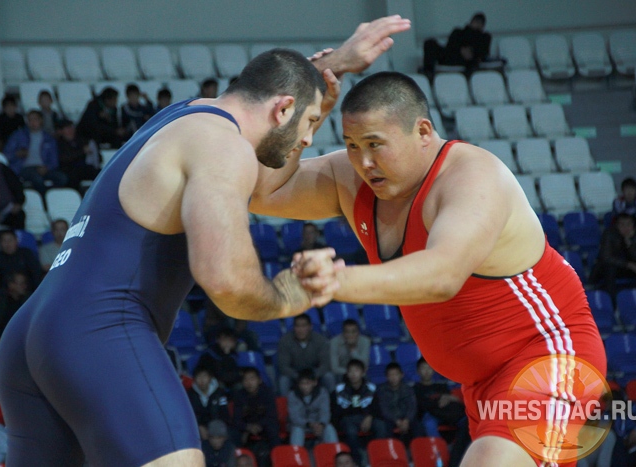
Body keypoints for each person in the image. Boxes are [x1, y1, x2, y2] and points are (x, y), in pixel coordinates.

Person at [0, 17, 412, 465]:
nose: (308, 139)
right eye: (311, 121)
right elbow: (226, 281)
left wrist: (336, 64)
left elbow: (274, 87)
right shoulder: (222, 144)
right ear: (284, 108)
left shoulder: (185, 116)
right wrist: (286, 296)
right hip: (98, 328)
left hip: (30, 337)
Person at [250, 70, 605, 467]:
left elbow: (442, 275)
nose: (364, 162)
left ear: (423, 131)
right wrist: (308, 117)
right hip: (481, 384)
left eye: (375, 145)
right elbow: (263, 190)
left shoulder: (472, 177)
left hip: (547, 357)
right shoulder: (351, 180)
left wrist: (334, 279)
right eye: (351, 145)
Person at [331, 359, 389, 465]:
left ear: (363, 372)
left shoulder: (371, 388)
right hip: (347, 419)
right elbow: (336, 411)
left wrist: (369, 416)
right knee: (350, 430)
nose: (353, 374)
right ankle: (357, 461)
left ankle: (378, 458)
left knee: (381, 426)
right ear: (347, 373)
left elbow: (378, 408)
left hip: (367, 417)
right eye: (350, 371)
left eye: (356, 371)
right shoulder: (339, 389)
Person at [4, 110, 69, 195]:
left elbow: (54, 160)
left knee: (62, 178)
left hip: (43, 167)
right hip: (24, 167)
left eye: (35, 119)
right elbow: (6, 155)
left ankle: (51, 196)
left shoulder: (49, 139)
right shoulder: (18, 135)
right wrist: (17, 154)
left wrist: (47, 168)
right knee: (37, 179)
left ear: (41, 120)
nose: (32, 122)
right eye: (30, 120)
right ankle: (43, 199)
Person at [278, 313, 335, 396]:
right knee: (284, 380)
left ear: (310, 327)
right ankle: (284, 407)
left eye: (304, 326)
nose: (300, 329)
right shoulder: (285, 341)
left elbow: (325, 364)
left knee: (329, 377)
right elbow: (283, 366)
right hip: (294, 374)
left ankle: (332, 405)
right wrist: (298, 377)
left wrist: (312, 377)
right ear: (294, 328)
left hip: (314, 374)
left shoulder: (320, 340)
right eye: (298, 326)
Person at [422, 12, 491, 77]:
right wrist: (460, 50)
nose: (477, 24)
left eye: (480, 23)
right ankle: (428, 73)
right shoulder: (458, 32)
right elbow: (450, 45)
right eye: (476, 21)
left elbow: (484, 52)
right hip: (452, 55)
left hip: (467, 61)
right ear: (471, 22)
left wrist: (471, 52)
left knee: (473, 60)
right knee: (430, 43)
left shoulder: (484, 37)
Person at [590, 213, 636, 297]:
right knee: (610, 269)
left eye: (629, 224)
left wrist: (631, 245)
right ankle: (612, 303)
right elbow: (606, 257)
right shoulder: (609, 234)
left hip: (629, 268)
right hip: (610, 268)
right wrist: (629, 265)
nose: (626, 227)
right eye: (622, 224)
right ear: (617, 225)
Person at [231, 367, 280, 452]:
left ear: (259, 380)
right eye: (245, 380)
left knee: (273, 429)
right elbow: (236, 419)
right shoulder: (239, 395)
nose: (249, 383)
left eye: (252, 379)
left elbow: (272, 415)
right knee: (233, 432)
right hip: (246, 426)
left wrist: (259, 425)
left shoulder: (267, 393)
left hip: (263, 425)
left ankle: (277, 457)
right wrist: (247, 427)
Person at [287, 368, 338, 446]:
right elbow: (294, 417)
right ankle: (295, 455)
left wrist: (321, 424)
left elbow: (325, 412)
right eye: (302, 383)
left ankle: (335, 453)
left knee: (329, 428)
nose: (304, 386)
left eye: (307, 383)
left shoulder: (322, 392)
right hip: (300, 425)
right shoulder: (292, 395)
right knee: (297, 430)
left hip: (319, 424)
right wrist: (309, 424)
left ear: (315, 382)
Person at [375, 362, 423, 445]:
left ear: (402, 375)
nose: (393, 377)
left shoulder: (408, 389)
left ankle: (417, 451)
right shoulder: (381, 390)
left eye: (396, 374)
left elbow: (412, 406)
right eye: (390, 375)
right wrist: (396, 420)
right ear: (386, 376)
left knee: (419, 426)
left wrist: (407, 420)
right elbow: (384, 409)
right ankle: (390, 451)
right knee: (384, 427)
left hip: (406, 418)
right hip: (390, 419)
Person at [0, 272, 30, 345]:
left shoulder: (28, 300)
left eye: (24, 283)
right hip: (0, 341)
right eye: (21, 284)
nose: (24, 286)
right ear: (11, 285)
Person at [187, 365, 231, 441]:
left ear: (210, 378)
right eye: (199, 377)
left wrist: (214, 430)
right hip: (197, 430)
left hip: (217, 429)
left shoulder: (220, 393)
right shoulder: (190, 395)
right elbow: (189, 416)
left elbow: (225, 415)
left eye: (204, 376)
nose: (202, 380)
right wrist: (199, 427)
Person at [55, 119, 100, 189]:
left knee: (100, 173)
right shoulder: (58, 143)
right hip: (68, 170)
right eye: (67, 128)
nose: (71, 131)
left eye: (71, 128)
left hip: (83, 168)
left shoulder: (80, 140)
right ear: (61, 131)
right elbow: (64, 158)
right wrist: (82, 151)